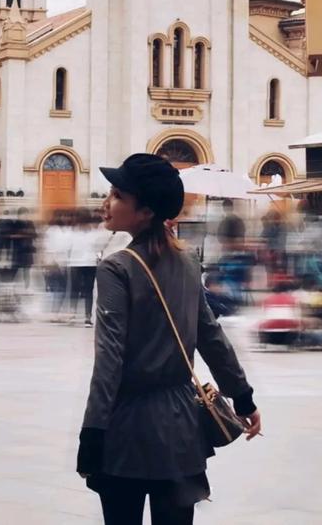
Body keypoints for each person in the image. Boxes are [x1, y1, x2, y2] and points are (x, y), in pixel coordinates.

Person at [77, 154, 261, 525]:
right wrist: (242, 397)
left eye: (117, 195)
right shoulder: (188, 261)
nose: (106, 202)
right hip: (180, 428)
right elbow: (210, 335)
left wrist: (92, 432)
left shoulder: (116, 268)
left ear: (144, 211)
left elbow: (109, 360)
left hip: (126, 427)